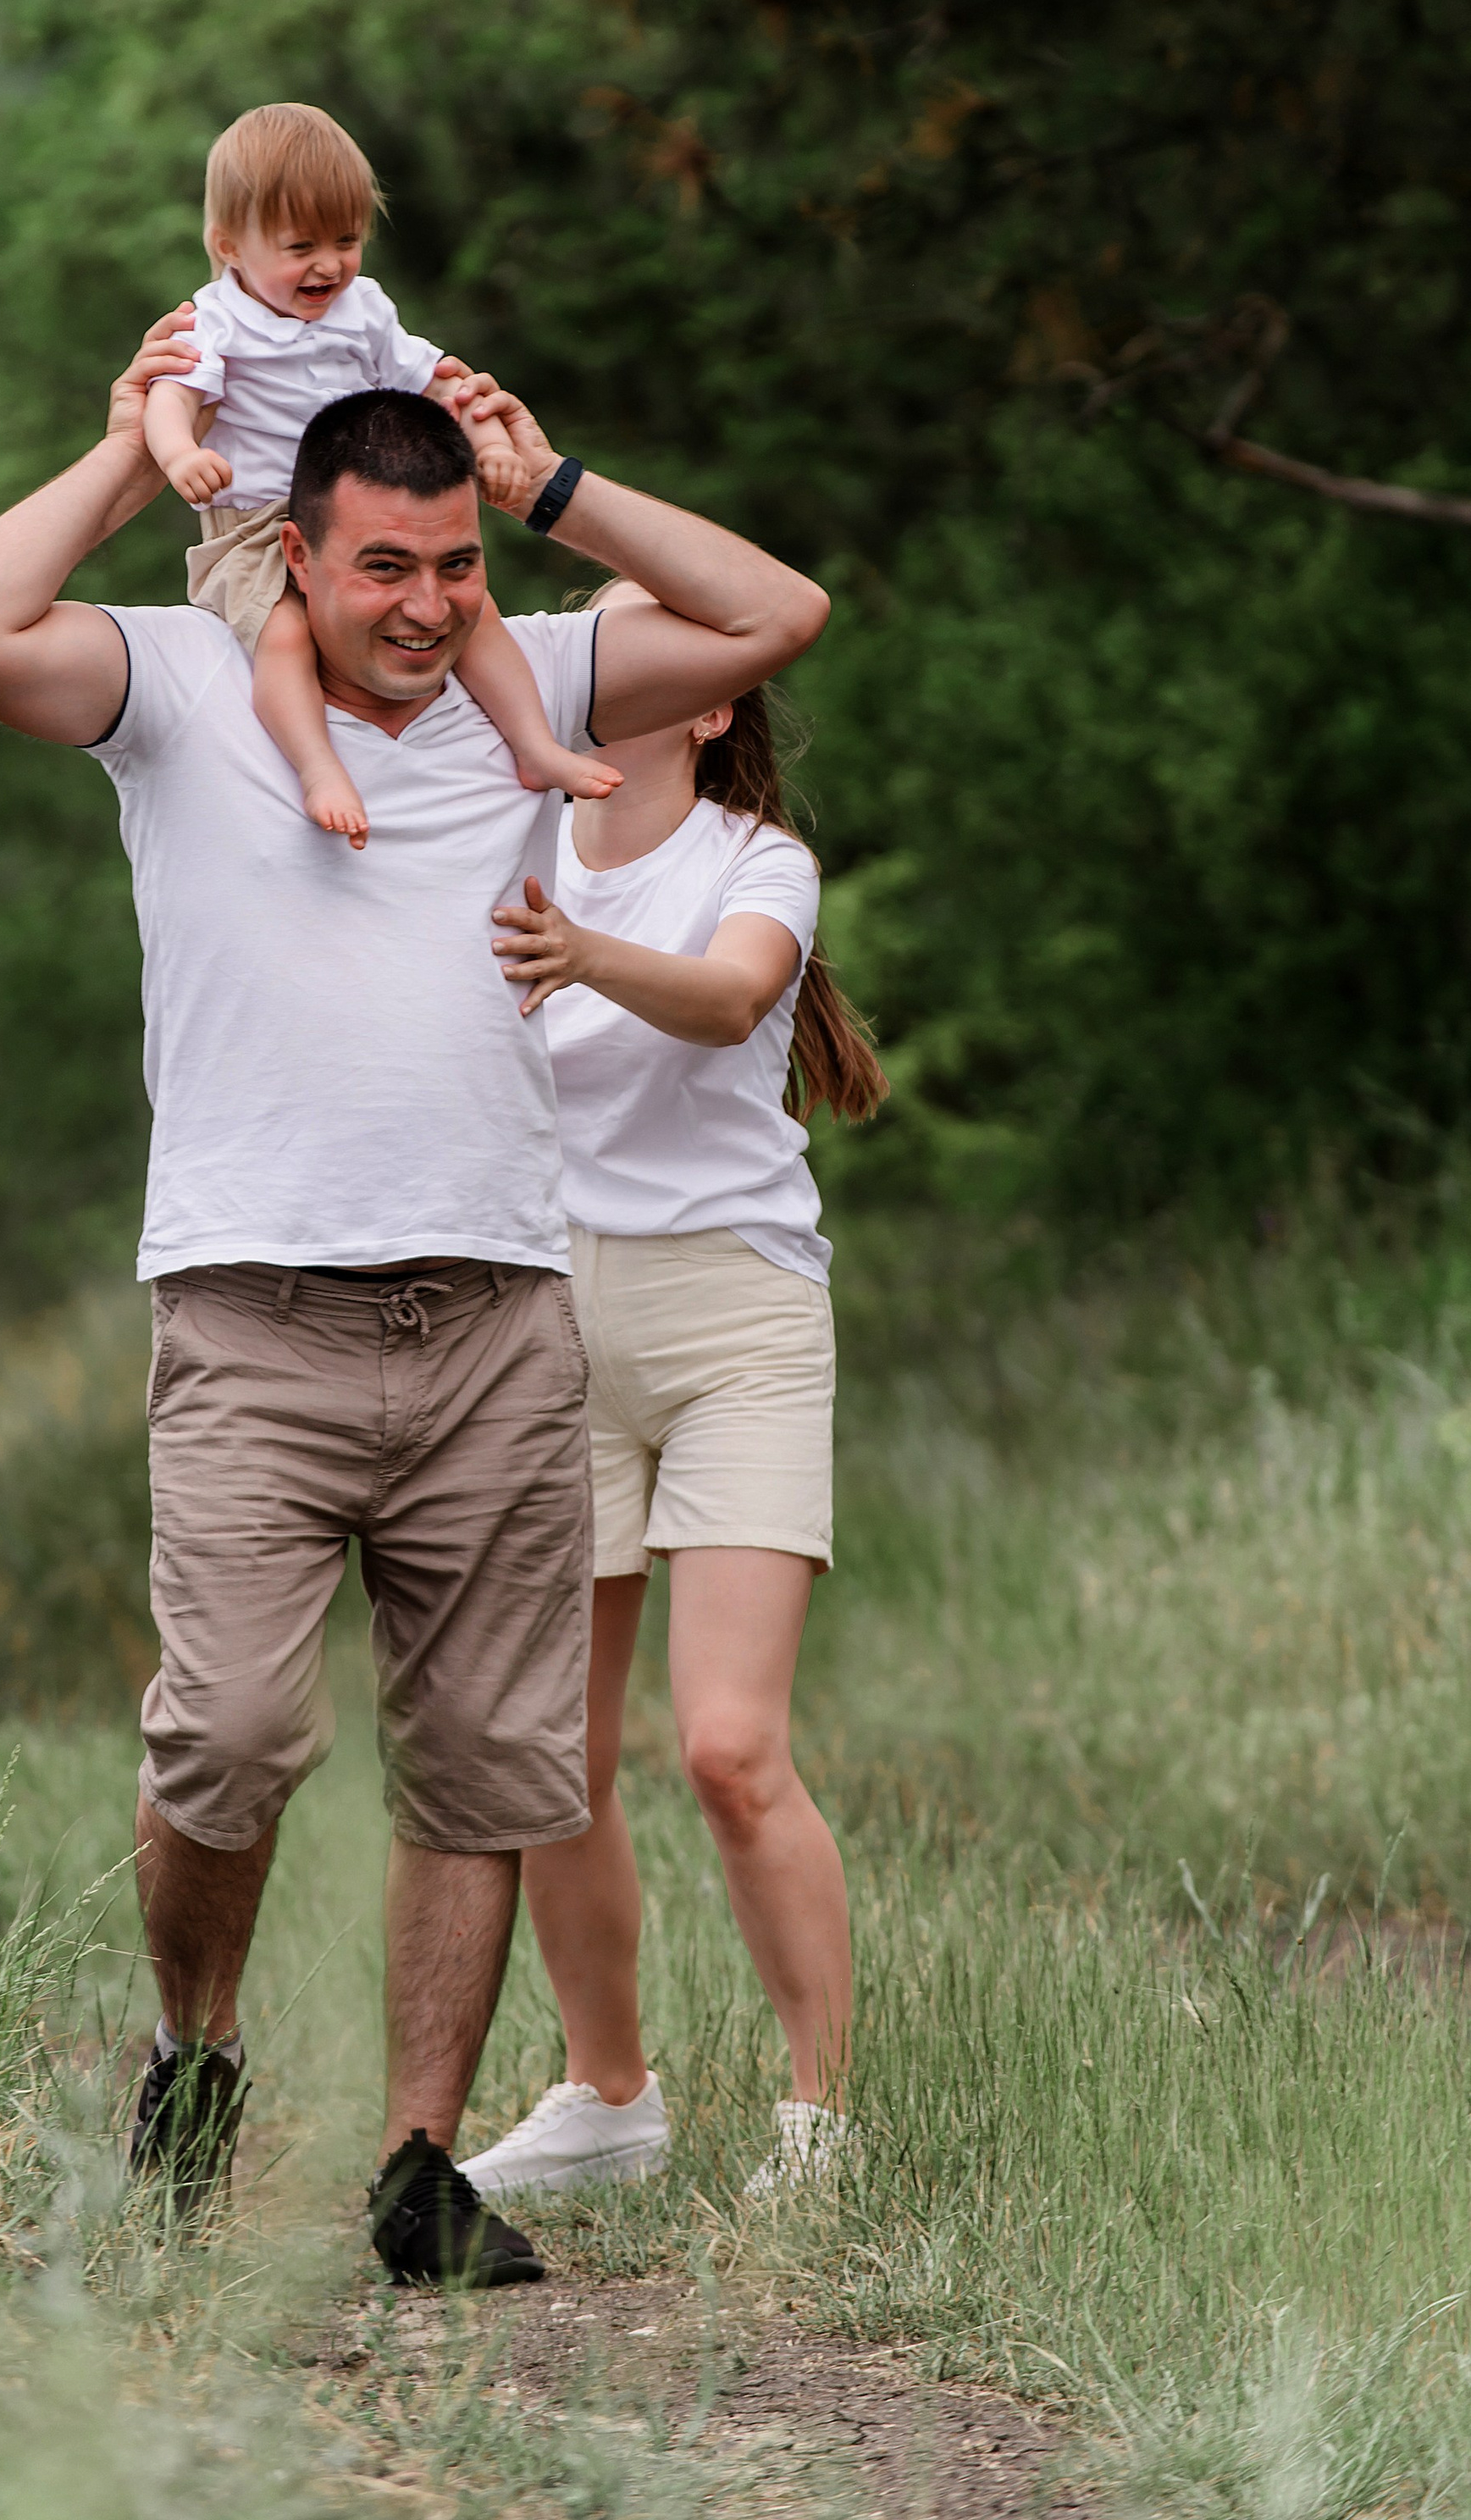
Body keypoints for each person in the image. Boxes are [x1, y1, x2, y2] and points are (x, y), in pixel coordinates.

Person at [0, 335, 829, 2285]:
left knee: (486, 1761)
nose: (422, 605)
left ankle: (419, 2161)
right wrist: (120, 464)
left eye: (449, 566)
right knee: (226, 1735)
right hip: (250, 1308)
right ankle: (195, 2044)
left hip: (497, 1310)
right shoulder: (167, 684)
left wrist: (546, 488)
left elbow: (776, 611)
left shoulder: (539, 681)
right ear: (299, 559)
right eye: (381, 567)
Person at [461, 582, 885, 2207]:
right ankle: (607, 2096)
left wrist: (576, 949)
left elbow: (724, 999)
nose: (601, 663)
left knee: (725, 1746)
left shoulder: (755, 859)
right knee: (548, 1756)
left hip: (737, 1321)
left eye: (643, 646)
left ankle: (818, 2122)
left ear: (707, 697)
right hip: (552, 1315)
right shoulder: (511, 830)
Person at [143, 102, 618, 845]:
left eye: (347, 239)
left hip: (364, 508)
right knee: (285, 637)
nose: (328, 264)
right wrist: (181, 454)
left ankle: (533, 744)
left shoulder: (362, 310)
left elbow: (442, 379)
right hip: (258, 527)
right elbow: (168, 397)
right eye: (300, 245)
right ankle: (317, 766)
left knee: (480, 611)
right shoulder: (215, 323)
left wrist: (489, 442)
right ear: (229, 244)